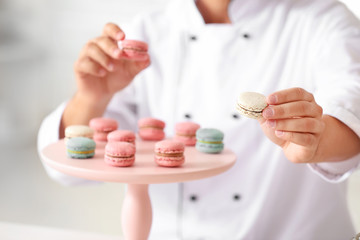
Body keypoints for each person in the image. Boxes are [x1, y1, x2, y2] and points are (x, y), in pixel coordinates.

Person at [38, 0, 360, 239]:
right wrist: (92, 98)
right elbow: (67, 167)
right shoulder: (145, 32)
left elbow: (351, 112)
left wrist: (315, 139)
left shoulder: (323, 20)